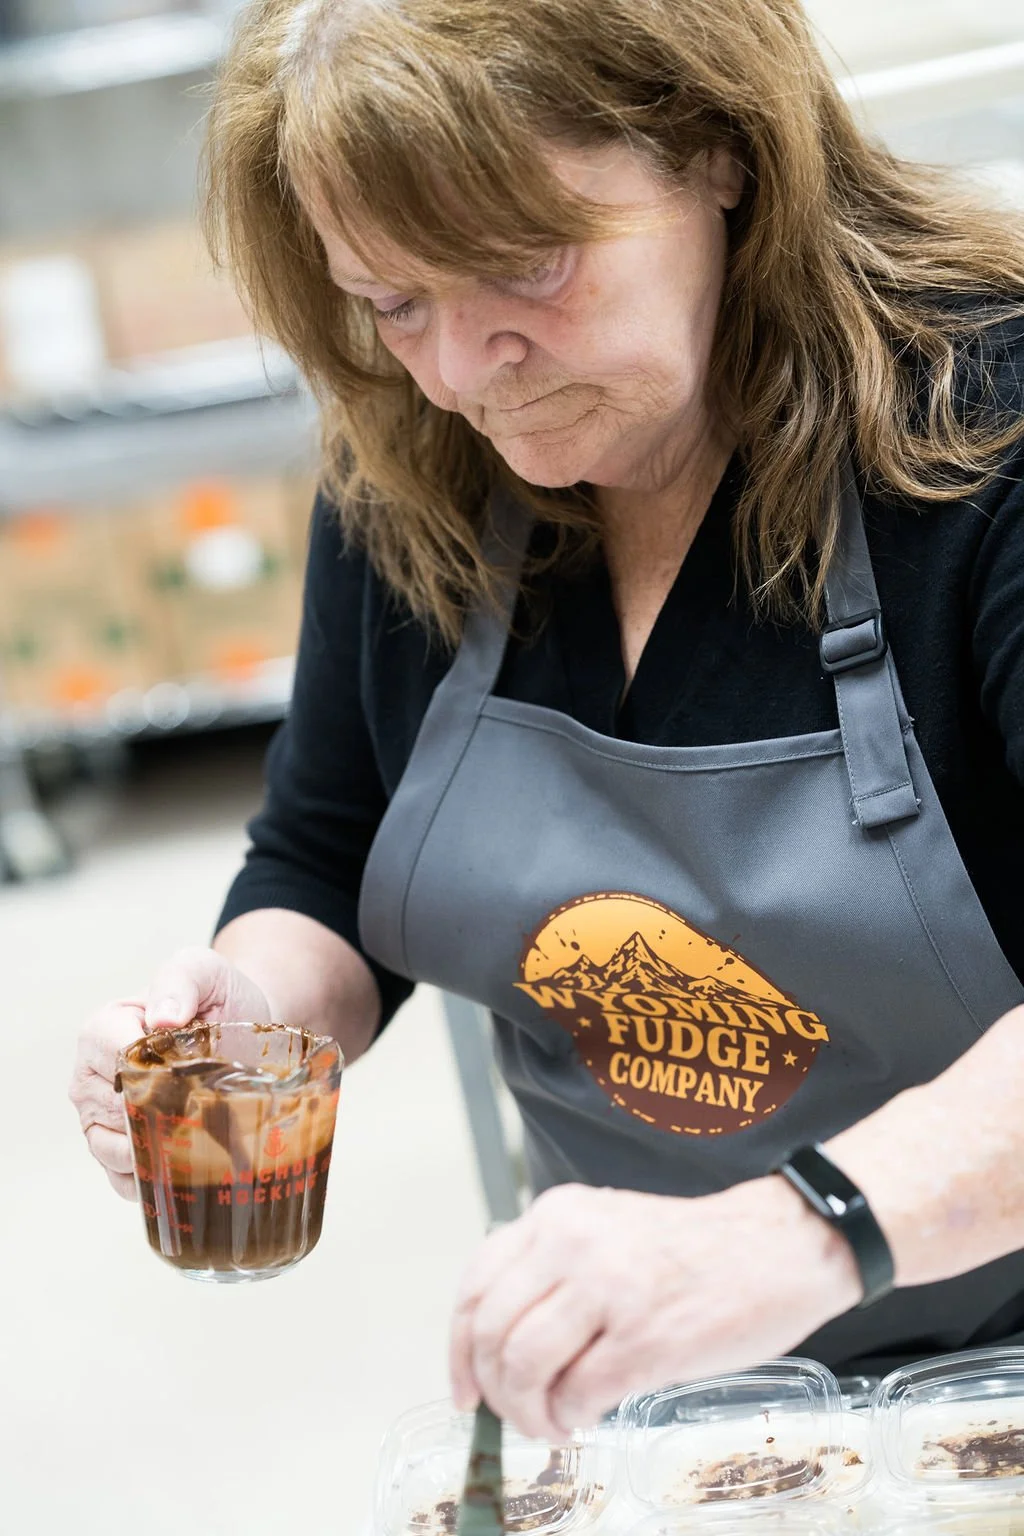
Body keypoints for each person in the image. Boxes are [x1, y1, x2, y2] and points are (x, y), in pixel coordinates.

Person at [70, 0, 1024, 1444]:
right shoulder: (413, 471)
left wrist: (800, 1232)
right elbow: (323, 854)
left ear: (717, 150)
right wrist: (251, 1015)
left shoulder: (985, 429)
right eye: (394, 304)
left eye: (525, 266)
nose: (462, 372)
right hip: (663, 1411)